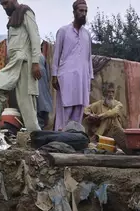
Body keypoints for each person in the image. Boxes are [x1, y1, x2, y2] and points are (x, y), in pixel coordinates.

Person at [0, 0, 42, 131]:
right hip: (13, 64)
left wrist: (35, 62)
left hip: (25, 64)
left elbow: (35, 38)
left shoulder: (26, 12)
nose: (4, 7)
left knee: (26, 106)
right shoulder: (12, 17)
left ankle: (36, 137)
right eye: (2, 5)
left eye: (6, 3)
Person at [52, 0, 93, 131]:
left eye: (85, 11)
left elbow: (88, 58)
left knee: (79, 109)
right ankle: (59, 139)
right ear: (74, 12)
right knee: (65, 108)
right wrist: (54, 75)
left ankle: (73, 139)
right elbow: (56, 54)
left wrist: (90, 77)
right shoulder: (63, 31)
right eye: (81, 10)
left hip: (82, 78)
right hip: (66, 77)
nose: (83, 13)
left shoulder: (87, 34)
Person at [83, 82, 127, 148]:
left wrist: (101, 116)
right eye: (109, 92)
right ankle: (96, 138)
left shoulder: (118, 104)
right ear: (105, 93)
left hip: (115, 131)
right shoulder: (99, 104)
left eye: (112, 92)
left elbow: (114, 112)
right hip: (103, 133)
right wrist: (91, 115)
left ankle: (96, 138)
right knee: (89, 119)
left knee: (110, 116)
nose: (111, 94)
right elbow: (86, 109)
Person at [37, 45, 53, 129]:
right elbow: (48, 76)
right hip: (43, 96)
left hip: (38, 95)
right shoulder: (41, 57)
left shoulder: (36, 57)